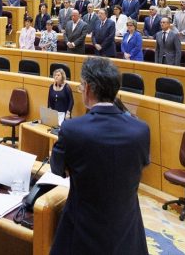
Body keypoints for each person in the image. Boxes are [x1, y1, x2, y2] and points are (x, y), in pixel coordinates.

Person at [49, 57, 149, 255]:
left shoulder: (71, 129)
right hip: (127, 229)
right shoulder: (141, 130)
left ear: (87, 89)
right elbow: (141, 166)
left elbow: (57, 168)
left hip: (82, 230)